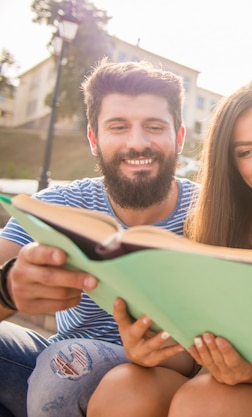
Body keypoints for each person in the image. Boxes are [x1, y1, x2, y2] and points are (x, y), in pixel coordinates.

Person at [86, 78, 252, 417]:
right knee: (122, 387)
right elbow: (190, 347)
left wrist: (250, 372)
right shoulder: (204, 225)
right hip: (204, 379)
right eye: (246, 151)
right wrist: (150, 347)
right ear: (231, 161)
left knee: (204, 402)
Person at [0, 58, 198, 417]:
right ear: (93, 138)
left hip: (164, 378)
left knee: (67, 366)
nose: (137, 144)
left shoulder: (211, 210)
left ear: (179, 136)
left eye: (154, 126)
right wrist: (6, 288)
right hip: (54, 368)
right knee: (63, 364)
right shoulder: (57, 205)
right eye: (118, 127)